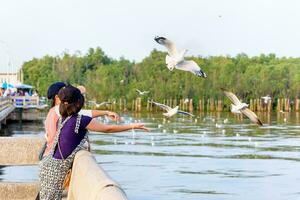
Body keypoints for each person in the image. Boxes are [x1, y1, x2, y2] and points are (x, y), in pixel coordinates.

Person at [39, 85, 148, 199]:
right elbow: (107, 129)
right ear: (78, 103)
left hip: (48, 164)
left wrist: (105, 112)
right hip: (55, 169)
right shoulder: (80, 120)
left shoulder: (63, 118)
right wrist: (133, 126)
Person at [41, 82, 120, 158]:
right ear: (57, 97)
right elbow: (84, 114)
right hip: (55, 156)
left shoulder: (52, 111)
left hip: (50, 154)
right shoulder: (59, 110)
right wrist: (106, 112)